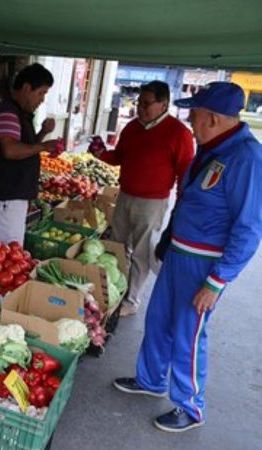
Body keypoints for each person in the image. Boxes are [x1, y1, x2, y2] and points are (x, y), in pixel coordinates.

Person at [113, 82, 262, 432]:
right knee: (159, 320)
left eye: (194, 114)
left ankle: (190, 406)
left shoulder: (245, 158)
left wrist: (217, 281)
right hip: (180, 252)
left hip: (205, 264)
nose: (189, 120)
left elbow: (249, 229)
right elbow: (188, 198)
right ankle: (150, 380)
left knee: (189, 333)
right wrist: (168, 238)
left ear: (212, 117)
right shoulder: (208, 149)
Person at [90, 81, 195, 316]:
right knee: (117, 247)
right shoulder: (131, 128)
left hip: (152, 203)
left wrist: (180, 207)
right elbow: (118, 157)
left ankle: (132, 299)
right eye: (139, 103)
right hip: (125, 195)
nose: (140, 108)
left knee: (141, 251)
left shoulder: (179, 133)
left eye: (147, 104)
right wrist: (100, 153)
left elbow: (185, 174)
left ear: (164, 104)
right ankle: (114, 290)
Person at [0, 63, 58, 245]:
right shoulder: (7, 112)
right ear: (27, 88)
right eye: (41, 93)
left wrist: (43, 133)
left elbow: (24, 148)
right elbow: (11, 150)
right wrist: (43, 146)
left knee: (6, 252)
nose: (42, 99)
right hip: (4, 198)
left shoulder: (20, 113)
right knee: (4, 251)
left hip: (10, 198)